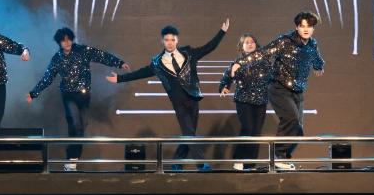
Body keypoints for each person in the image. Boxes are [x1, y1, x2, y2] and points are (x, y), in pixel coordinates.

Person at [108, 19, 230, 170]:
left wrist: (222, 32)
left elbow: (209, 47)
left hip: (193, 99)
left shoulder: (189, 53)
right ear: (163, 41)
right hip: (179, 103)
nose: (170, 43)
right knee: (189, 133)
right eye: (167, 40)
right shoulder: (157, 63)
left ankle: (177, 162)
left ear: (177, 40)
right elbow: (140, 73)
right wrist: (119, 78)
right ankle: (201, 164)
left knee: (189, 134)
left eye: (172, 39)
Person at [230, 12, 324, 170]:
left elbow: (317, 59)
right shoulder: (285, 41)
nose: (306, 29)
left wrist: (319, 67)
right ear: (297, 27)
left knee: (298, 130)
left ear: (313, 28)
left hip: (298, 92)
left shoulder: (312, 44)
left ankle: (283, 157)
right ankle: (278, 155)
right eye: (302, 26)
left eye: (309, 26)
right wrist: (241, 63)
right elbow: (263, 52)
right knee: (291, 118)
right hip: (279, 88)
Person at [27, 28, 127, 171]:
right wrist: (33, 93)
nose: (67, 43)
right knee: (75, 123)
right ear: (59, 42)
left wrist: (119, 63)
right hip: (68, 95)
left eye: (69, 39)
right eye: (63, 40)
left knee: (81, 128)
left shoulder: (82, 51)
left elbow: (101, 55)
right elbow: (47, 78)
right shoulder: (57, 58)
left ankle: (72, 160)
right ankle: (71, 160)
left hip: (84, 95)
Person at [220, 33, 271, 170]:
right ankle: (239, 159)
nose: (250, 44)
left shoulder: (264, 60)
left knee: (256, 132)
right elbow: (228, 75)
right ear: (242, 46)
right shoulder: (238, 61)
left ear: (256, 44)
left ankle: (250, 163)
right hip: (243, 100)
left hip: (261, 100)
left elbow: (271, 75)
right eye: (246, 42)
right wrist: (225, 86)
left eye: (252, 42)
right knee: (247, 128)